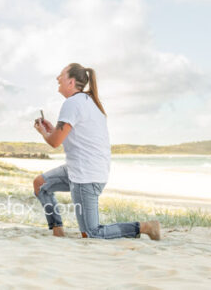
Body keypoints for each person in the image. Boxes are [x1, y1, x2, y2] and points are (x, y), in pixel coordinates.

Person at [32, 63, 161, 240]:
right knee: (40, 185)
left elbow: (54, 142)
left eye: (61, 75)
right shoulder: (88, 102)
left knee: (92, 233)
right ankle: (58, 231)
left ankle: (146, 227)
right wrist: (51, 129)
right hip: (81, 169)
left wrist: (43, 132)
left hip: (86, 176)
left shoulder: (72, 103)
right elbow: (71, 135)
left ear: (71, 82)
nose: (57, 78)